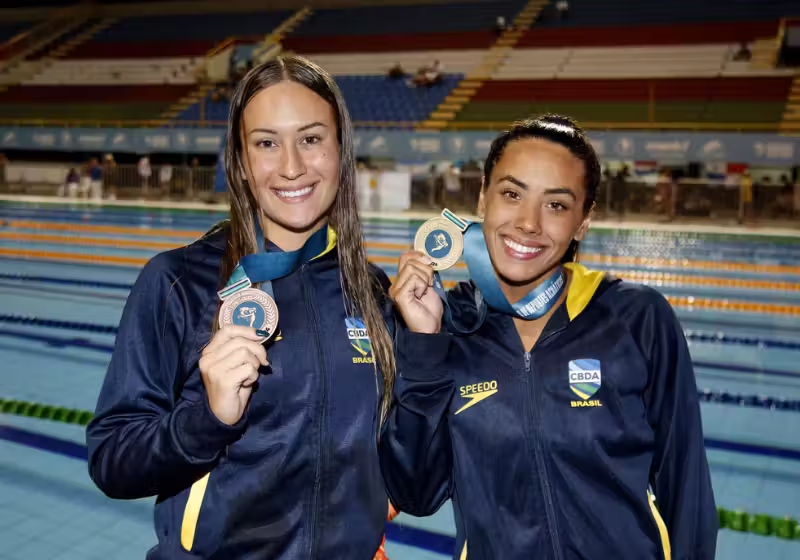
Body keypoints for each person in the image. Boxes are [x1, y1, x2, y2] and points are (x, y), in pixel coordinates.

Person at [86, 55, 397, 559]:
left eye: (312, 139)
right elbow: (111, 461)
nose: (292, 165)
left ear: (340, 152)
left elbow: (409, 472)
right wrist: (206, 419)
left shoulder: (372, 290)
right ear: (242, 161)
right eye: (267, 143)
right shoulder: (178, 282)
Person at [381, 115, 718, 559]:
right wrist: (423, 346)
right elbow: (416, 494)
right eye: (511, 194)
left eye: (556, 205)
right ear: (483, 197)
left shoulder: (636, 318)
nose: (528, 223)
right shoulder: (448, 324)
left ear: (583, 221)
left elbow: (686, 490)